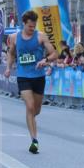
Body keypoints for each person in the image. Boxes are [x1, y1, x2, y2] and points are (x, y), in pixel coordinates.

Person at [5, 10, 58, 154]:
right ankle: (34, 140)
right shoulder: (15, 37)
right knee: (29, 106)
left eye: (33, 26)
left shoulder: (41, 36)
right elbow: (10, 54)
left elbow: (55, 53)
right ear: (24, 24)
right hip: (23, 76)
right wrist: (8, 68)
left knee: (36, 110)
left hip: (38, 77)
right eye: (29, 26)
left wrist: (45, 60)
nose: (32, 29)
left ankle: (31, 120)